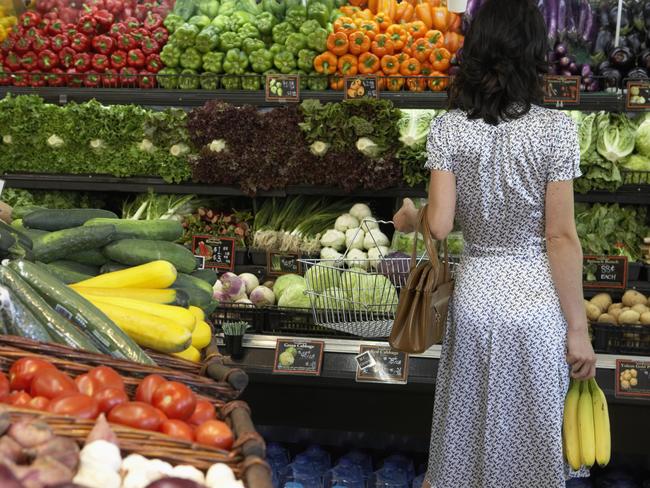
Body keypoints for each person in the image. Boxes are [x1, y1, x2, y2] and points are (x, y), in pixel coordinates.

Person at [392, 0, 596, 486]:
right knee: (533, 435)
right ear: (533, 53)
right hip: (535, 303)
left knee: (465, 432)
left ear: (476, 50)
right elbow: (561, 237)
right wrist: (579, 328)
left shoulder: (449, 128)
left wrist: (408, 218)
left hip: (476, 298)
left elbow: (439, 226)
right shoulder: (556, 130)